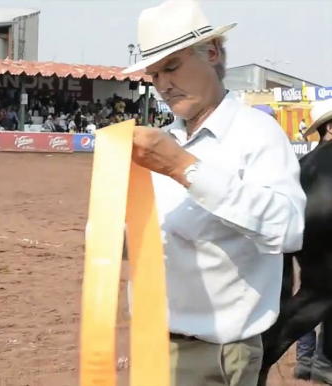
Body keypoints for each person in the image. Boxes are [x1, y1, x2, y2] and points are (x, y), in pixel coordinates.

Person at [121, 1, 306, 385]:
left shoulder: (258, 134)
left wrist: (183, 168)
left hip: (216, 356)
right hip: (150, 344)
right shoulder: (161, 141)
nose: (163, 84)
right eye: (154, 74)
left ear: (211, 52)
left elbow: (287, 228)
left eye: (171, 67)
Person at [295, 98, 332, 383]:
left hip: (303, 241)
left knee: (310, 292)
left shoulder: (302, 164)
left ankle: (304, 360)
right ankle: (323, 361)